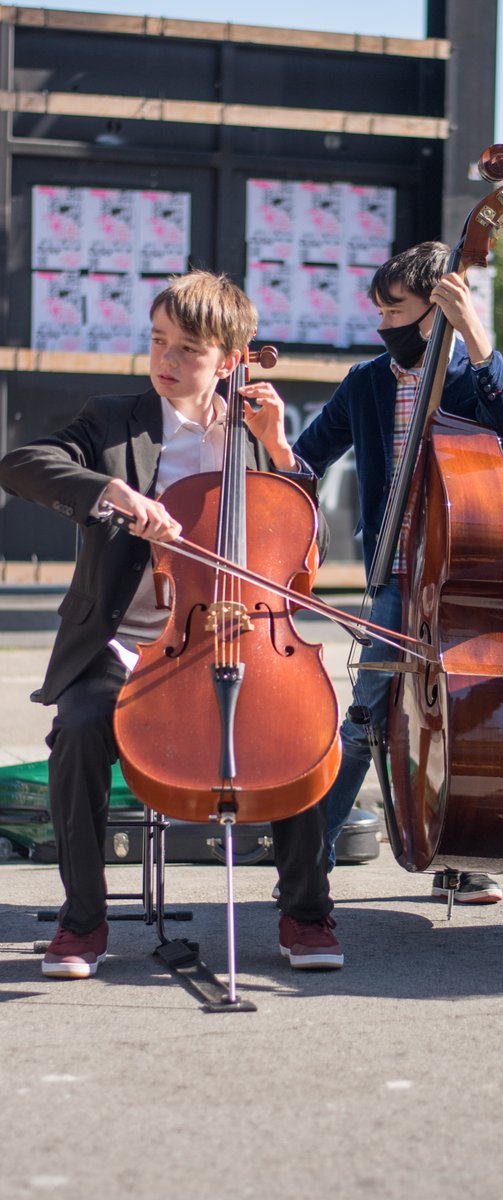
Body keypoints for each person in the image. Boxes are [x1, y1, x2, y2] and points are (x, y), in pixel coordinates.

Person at [0, 270, 343, 977]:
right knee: (80, 728)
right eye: (158, 341)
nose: (166, 360)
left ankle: (305, 914)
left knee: (301, 732)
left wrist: (282, 455)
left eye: (188, 348)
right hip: (123, 646)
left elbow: (307, 550)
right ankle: (81, 924)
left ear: (229, 357)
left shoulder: (255, 438)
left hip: (238, 638)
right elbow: (21, 464)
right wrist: (111, 491)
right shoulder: (113, 418)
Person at [281, 241, 503, 904]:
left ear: (434, 310)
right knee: (367, 717)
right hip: (395, 577)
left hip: (467, 578)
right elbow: (307, 458)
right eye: (378, 309)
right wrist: (267, 451)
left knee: (464, 721)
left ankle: (461, 852)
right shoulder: (367, 382)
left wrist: (474, 332)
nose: (381, 321)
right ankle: (309, 862)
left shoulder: (471, 379)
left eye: (395, 308)